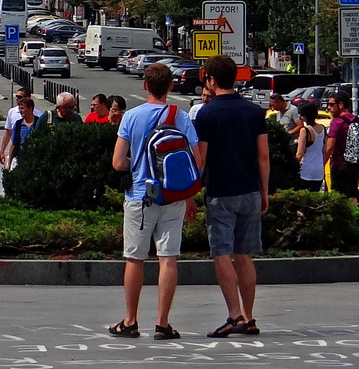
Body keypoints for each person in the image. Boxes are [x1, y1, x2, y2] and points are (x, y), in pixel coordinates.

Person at [110, 61, 199, 341]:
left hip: (140, 196)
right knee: (168, 259)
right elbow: (196, 161)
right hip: (173, 196)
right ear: (171, 86)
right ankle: (162, 323)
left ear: (145, 85)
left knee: (135, 259)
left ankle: (131, 321)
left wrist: (135, 165)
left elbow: (117, 162)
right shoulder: (180, 117)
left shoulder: (131, 117)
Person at [194, 55, 269, 338]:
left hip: (220, 192)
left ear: (211, 81)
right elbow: (263, 155)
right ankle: (249, 317)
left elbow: (201, 158)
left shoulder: (207, 114)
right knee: (244, 254)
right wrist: (264, 190)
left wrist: (191, 191)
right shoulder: (253, 111)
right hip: (249, 189)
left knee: (222, 253)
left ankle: (234, 315)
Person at [322, 92, 359, 205]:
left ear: (340, 105)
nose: (328, 108)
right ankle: (354, 218)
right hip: (355, 166)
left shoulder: (337, 122)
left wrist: (321, 164)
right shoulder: (358, 120)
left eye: (331, 104)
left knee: (339, 199)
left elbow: (330, 146)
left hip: (339, 165)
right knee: (353, 195)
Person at [295, 101, 326, 192]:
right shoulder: (323, 128)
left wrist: (294, 166)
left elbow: (300, 153)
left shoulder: (304, 130)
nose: (300, 117)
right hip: (319, 170)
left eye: (301, 115)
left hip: (306, 169)